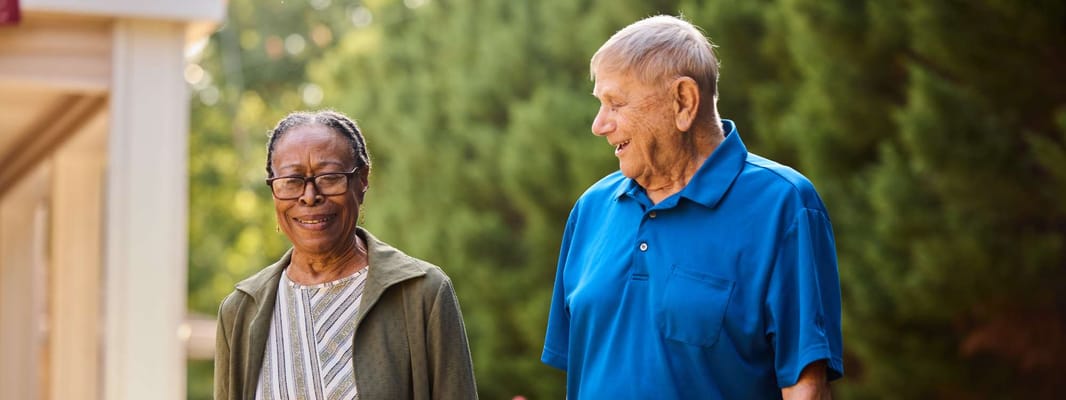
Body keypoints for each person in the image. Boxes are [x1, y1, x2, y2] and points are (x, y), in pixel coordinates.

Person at [541, 15, 843, 399]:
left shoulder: (784, 204)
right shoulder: (590, 210)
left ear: (683, 100)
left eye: (615, 103)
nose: (599, 125)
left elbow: (805, 388)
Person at [215, 110, 478, 400]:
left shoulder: (422, 293)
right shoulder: (240, 310)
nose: (310, 196)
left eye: (329, 177)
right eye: (292, 181)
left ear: (362, 179)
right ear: (274, 188)